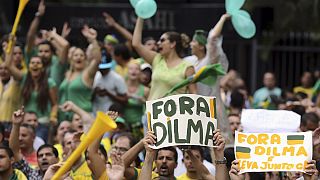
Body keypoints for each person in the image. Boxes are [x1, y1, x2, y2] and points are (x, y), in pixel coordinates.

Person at [132, 17, 197, 101]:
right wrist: (140, 16)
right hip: (152, 113)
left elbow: (194, 94)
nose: (158, 43)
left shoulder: (188, 67)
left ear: (172, 44)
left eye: (162, 40)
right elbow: (136, 44)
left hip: (176, 113)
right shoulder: (157, 59)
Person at [5, 46, 58, 141]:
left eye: (38, 63)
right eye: (32, 63)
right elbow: (8, 65)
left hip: (42, 122)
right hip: (25, 121)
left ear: (42, 67)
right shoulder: (24, 78)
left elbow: (54, 104)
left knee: (39, 143)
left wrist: (53, 117)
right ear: (29, 66)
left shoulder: (50, 82)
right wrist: (11, 43)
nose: (35, 65)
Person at [58, 25, 101, 121]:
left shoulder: (87, 74)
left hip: (82, 117)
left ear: (85, 59)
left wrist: (93, 40)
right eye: (75, 55)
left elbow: (97, 60)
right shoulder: (67, 73)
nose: (78, 57)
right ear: (71, 59)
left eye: (82, 55)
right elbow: (61, 53)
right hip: (64, 118)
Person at [124, 60, 149, 139]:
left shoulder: (145, 90)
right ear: (127, 71)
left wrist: (143, 101)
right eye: (131, 69)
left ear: (140, 73)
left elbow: (150, 108)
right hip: (123, 126)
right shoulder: (121, 87)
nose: (133, 71)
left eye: (136, 69)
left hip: (139, 127)